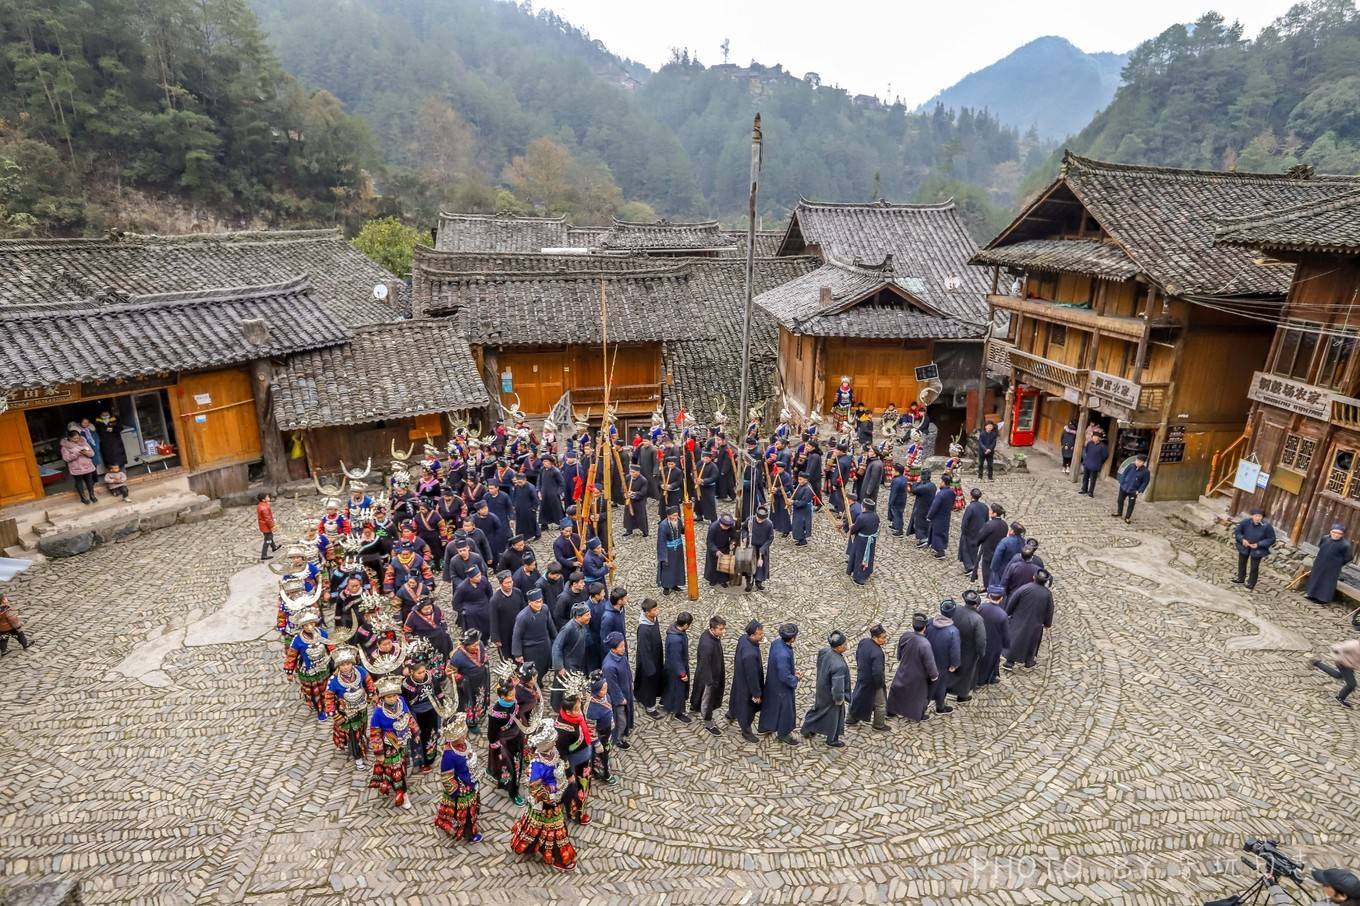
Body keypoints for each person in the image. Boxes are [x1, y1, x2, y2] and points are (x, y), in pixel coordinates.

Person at [510, 718, 578, 872]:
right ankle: (560, 857)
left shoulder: (552, 752)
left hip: (555, 795)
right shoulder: (538, 765)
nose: (554, 744)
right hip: (547, 802)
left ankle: (532, 846)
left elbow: (559, 764)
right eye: (551, 741)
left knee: (540, 826)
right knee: (554, 829)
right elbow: (535, 788)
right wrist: (552, 796)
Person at [368, 676, 419, 810]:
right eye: (388, 696)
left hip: (404, 742)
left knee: (402, 766)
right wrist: (379, 753)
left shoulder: (401, 701)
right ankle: (402, 794)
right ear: (383, 697)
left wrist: (416, 732)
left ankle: (391, 782)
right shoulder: (378, 713)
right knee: (397, 772)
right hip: (390, 746)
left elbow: (409, 718)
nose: (392, 698)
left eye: (394, 695)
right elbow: (375, 733)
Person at [434, 713, 482, 843]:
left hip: (470, 781)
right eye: (462, 735)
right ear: (454, 738)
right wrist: (457, 792)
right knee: (465, 813)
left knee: (468, 809)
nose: (465, 736)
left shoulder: (463, 744)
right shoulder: (449, 756)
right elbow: (446, 777)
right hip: (462, 789)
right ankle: (469, 834)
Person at [325, 646, 374, 769]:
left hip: (362, 708)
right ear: (338, 666)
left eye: (348, 664)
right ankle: (358, 757)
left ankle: (361, 744)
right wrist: (335, 714)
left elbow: (369, 683)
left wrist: (372, 694)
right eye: (342, 665)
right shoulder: (333, 680)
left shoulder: (361, 671)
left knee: (362, 729)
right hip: (347, 713)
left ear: (352, 663)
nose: (345, 667)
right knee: (353, 734)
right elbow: (329, 698)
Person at [800, 630, 851, 747]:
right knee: (835, 717)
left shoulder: (825, 651)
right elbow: (838, 687)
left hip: (822, 688)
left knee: (818, 711)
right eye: (845, 644)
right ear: (839, 647)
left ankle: (808, 729)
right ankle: (832, 739)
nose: (847, 645)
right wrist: (839, 699)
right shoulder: (839, 665)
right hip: (832, 695)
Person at [886, 614, 939, 722]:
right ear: (924, 627)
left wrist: (900, 658)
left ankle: (891, 710)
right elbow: (930, 663)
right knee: (917, 696)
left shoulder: (905, 636)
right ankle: (917, 714)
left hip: (904, 668)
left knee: (898, 689)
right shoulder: (925, 644)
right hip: (918, 675)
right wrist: (934, 676)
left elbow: (899, 653)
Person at [283, 610, 331, 720]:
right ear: (302, 626)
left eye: (311, 623)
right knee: (315, 693)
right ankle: (320, 709)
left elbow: (331, 647)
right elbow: (291, 656)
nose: (309, 627)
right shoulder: (298, 640)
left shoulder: (323, 633)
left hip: (324, 667)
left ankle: (329, 704)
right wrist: (289, 671)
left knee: (326, 688)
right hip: (309, 671)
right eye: (306, 625)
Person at [759, 623, 800, 745]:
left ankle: (765, 726)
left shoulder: (776, 643)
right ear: (792, 638)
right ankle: (783, 734)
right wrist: (796, 678)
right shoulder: (784, 654)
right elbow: (785, 676)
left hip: (772, 681)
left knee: (770, 706)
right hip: (782, 688)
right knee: (786, 711)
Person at [1004, 569, 1054, 670]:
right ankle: (1028, 661)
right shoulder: (1047, 594)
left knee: (1015, 639)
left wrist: (1008, 613)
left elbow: (1012, 601)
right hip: (1036, 622)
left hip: (1019, 619)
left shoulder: (1024, 588)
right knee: (1032, 643)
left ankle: (1010, 661)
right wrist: (1047, 623)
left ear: (1034, 577)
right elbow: (1049, 610)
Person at [727, 620, 765, 743]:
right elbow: (752, 676)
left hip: (739, 676)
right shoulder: (750, 654)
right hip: (747, 685)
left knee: (735, 696)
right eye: (760, 634)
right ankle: (746, 730)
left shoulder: (743, 638)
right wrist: (756, 694)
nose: (762, 635)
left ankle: (732, 713)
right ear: (753, 635)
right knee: (747, 709)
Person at [847, 625, 890, 732]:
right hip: (873, 683)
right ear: (875, 637)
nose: (885, 640)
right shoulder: (878, 653)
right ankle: (879, 724)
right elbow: (878, 672)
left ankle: (851, 718)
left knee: (857, 698)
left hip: (862, 677)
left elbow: (857, 655)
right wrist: (880, 685)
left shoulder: (863, 642)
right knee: (880, 704)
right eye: (883, 637)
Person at [690, 615, 727, 735]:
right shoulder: (708, 644)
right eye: (721, 629)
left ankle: (695, 705)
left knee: (700, 693)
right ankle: (708, 722)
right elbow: (705, 663)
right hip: (709, 677)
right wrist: (710, 681)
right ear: (713, 628)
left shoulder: (712, 636)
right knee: (708, 700)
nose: (723, 631)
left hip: (710, 673)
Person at [550, 603, 592, 709]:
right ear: (578, 616)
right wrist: (559, 666)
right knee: (561, 687)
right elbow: (557, 646)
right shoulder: (568, 628)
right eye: (587, 615)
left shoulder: (582, 626)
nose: (590, 617)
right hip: (567, 666)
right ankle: (558, 707)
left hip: (576, 663)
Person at [950, 589, 988, 703]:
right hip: (969, 650)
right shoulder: (977, 619)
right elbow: (981, 640)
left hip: (953, 645)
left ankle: (948, 688)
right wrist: (982, 653)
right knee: (967, 672)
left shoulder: (955, 609)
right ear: (977, 604)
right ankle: (962, 695)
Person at [924, 600, 961, 715]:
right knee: (941, 685)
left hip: (927, 659)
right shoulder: (953, 631)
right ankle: (940, 707)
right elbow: (955, 650)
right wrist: (955, 664)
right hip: (942, 663)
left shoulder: (930, 622)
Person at [1306, 524, 1354, 604]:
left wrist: (1338, 563)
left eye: (1339, 533)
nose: (1336, 535)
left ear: (1342, 535)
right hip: (1320, 562)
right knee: (1316, 578)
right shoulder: (1325, 538)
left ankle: (1322, 599)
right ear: (1330, 532)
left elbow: (1348, 557)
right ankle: (1311, 594)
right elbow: (1320, 546)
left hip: (1333, 567)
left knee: (1327, 582)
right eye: (1334, 532)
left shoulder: (1345, 545)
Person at [602, 632, 634, 748]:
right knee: (621, 720)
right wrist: (620, 699)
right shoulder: (609, 666)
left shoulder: (622, 656)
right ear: (614, 649)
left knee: (626, 716)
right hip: (618, 699)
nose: (624, 648)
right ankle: (617, 739)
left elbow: (627, 670)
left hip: (626, 691)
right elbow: (612, 685)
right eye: (621, 646)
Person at [635, 598, 665, 718]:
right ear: (647, 613)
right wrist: (650, 668)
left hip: (656, 657)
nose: (657, 611)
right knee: (648, 684)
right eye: (655, 609)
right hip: (648, 663)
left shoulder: (653, 619)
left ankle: (639, 695)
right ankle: (650, 706)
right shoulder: (643, 629)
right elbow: (644, 650)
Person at [1233, 508, 1276, 590]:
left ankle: (1251, 583)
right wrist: (1242, 539)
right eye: (1256, 516)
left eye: (1260, 516)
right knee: (1242, 562)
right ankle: (1240, 578)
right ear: (1252, 516)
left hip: (1257, 549)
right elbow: (1238, 532)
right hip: (1245, 545)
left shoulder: (1267, 526)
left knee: (1254, 566)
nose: (1258, 518)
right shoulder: (1245, 522)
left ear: (1262, 517)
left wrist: (1259, 544)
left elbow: (1271, 539)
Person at [976, 585, 1011, 686]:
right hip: (994, 643)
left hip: (981, 639)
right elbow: (1005, 632)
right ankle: (987, 679)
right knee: (992, 662)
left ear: (989, 596)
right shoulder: (1002, 615)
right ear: (1001, 599)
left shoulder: (981, 608)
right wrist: (1006, 645)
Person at [1311, 637, 1360, 709]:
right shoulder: (1353, 645)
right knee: (1351, 684)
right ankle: (1340, 698)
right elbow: (1338, 649)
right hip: (1343, 664)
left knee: (1338, 675)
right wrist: (1345, 662)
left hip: (1349, 664)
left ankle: (1316, 663)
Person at [662, 612, 693, 722]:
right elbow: (676, 658)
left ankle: (667, 703)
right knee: (678, 690)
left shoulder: (676, 632)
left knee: (670, 688)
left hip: (671, 666)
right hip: (676, 669)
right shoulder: (676, 639)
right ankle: (678, 712)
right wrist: (682, 673)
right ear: (685, 625)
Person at [845, 498, 880, 585]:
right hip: (871, 541)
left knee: (859, 557)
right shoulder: (875, 516)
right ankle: (867, 572)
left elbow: (854, 530)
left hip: (861, 541)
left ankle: (859, 577)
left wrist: (851, 527)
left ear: (864, 507)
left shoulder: (862, 517)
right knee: (869, 556)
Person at [61, 428, 98, 504]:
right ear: (69, 438)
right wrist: (77, 454)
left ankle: (92, 495)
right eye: (74, 438)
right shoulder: (65, 447)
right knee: (79, 482)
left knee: (89, 481)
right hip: (76, 468)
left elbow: (92, 453)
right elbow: (66, 458)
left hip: (87, 466)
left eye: (78, 437)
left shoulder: (84, 443)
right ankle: (83, 497)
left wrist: (86, 453)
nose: (77, 439)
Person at [656, 506, 687, 595]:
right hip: (668, 551)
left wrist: (688, 527)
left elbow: (682, 531)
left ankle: (675, 584)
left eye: (676, 515)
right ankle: (666, 587)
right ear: (668, 516)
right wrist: (663, 557)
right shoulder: (663, 526)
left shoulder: (678, 521)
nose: (675, 517)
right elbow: (661, 542)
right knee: (668, 569)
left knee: (677, 567)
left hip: (678, 550)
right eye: (673, 516)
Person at [976, 504, 1008, 586]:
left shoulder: (989, 524)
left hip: (988, 551)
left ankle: (987, 587)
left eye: (991, 511)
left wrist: (977, 543)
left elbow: (981, 536)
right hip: (998, 551)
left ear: (995, 513)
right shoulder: (1004, 524)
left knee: (986, 570)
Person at [958, 488, 987, 578]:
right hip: (980, 531)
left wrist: (964, 531)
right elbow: (986, 520)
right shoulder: (984, 506)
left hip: (969, 532)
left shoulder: (970, 508)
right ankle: (973, 564)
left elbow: (965, 522)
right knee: (975, 549)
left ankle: (970, 567)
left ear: (971, 496)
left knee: (965, 549)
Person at [744, 506, 775, 591]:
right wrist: (745, 536)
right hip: (752, 545)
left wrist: (762, 550)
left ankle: (759, 581)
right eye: (758, 518)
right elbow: (744, 529)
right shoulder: (750, 520)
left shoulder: (769, 524)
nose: (759, 520)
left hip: (762, 546)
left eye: (762, 520)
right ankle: (749, 583)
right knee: (750, 565)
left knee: (761, 565)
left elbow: (770, 538)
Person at [1113, 453, 1150, 522]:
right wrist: (1122, 482)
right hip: (1124, 487)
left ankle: (1127, 517)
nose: (1138, 462)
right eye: (1137, 460)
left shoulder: (1146, 472)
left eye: (1140, 461)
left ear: (1143, 462)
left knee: (1131, 504)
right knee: (1120, 500)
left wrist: (1139, 490)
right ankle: (1119, 512)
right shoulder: (1130, 466)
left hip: (1133, 490)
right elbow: (1124, 474)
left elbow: (1145, 482)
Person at [926, 473, 955, 558]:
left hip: (938, 517)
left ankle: (940, 551)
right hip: (946, 516)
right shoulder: (952, 492)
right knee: (943, 533)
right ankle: (940, 547)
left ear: (943, 482)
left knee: (937, 533)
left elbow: (934, 507)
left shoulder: (940, 494)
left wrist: (929, 516)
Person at [705, 514, 738, 585]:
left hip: (724, 547)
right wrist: (716, 550)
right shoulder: (713, 527)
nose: (726, 528)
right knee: (713, 565)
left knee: (724, 565)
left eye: (728, 527)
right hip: (714, 548)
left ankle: (723, 580)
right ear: (721, 523)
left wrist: (732, 543)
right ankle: (713, 579)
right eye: (725, 526)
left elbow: (734, 537)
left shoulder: (731, 527)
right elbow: (709, 541)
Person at [1079, 429, 1108, 497]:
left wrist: (1100, 461)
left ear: (1099, 438)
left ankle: (1090, 492)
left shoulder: (1102, 446)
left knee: (1092, 479)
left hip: (1095, 465)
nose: (1094, 438)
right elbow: (1086, 451)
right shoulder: (1089, 443)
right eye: (1093, 436)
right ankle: (1084, 489)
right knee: (1085, 478)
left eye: (1096, 436)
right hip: (1088, 463)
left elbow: (1105, 456)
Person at [908, 469, 935, 542]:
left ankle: (923, 538)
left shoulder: (925, 487)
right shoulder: (932, 485)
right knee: (923, 522)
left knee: (919, 523)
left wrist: (916, 482)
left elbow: (914, 490)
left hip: (922, 508)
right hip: (927, 507)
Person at [791, 473, 815, 545]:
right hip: (798, 509)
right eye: (798, 479)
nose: (799, 481)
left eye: (800, 479)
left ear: (805, 480)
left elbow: (804, 502)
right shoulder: (801, 485)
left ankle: (802, 540)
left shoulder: (808, 488)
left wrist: (793, 502)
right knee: (797, 524)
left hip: (804, 509)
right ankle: (798, 537)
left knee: (801, 524)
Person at [256, 492, 280, 560]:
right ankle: (264, 554)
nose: (269, 498)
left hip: (263, 526)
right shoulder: (264, 508)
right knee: (268, 540)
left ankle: (274, 547)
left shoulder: (260, 505)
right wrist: (272, 526)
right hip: (266, 526)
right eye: (267, 497)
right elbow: (268, 519)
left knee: (269, 536)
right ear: (263, 500)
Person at [886, 463, 908, 536]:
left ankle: (899, 530)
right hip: (902, 500)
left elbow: (894, 493)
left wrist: (890, 502)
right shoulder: (903, 478)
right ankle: (895, 525)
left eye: (893, 470)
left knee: (897, 515)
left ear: (897, 472)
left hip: (897, 501)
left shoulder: (896, 481)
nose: (891, 472)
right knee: (897, 514)